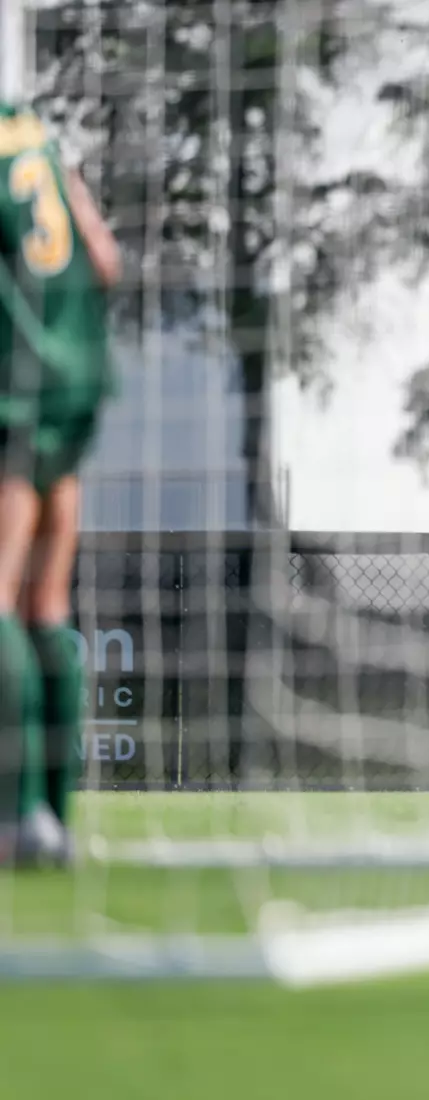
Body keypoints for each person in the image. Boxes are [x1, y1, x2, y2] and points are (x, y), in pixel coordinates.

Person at [0, 103, 121, 866]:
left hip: (10, 389)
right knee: (47, 602)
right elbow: (106, 261)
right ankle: (57, 818)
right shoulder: (36, 134)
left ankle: (14, 819)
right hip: (76, 387)